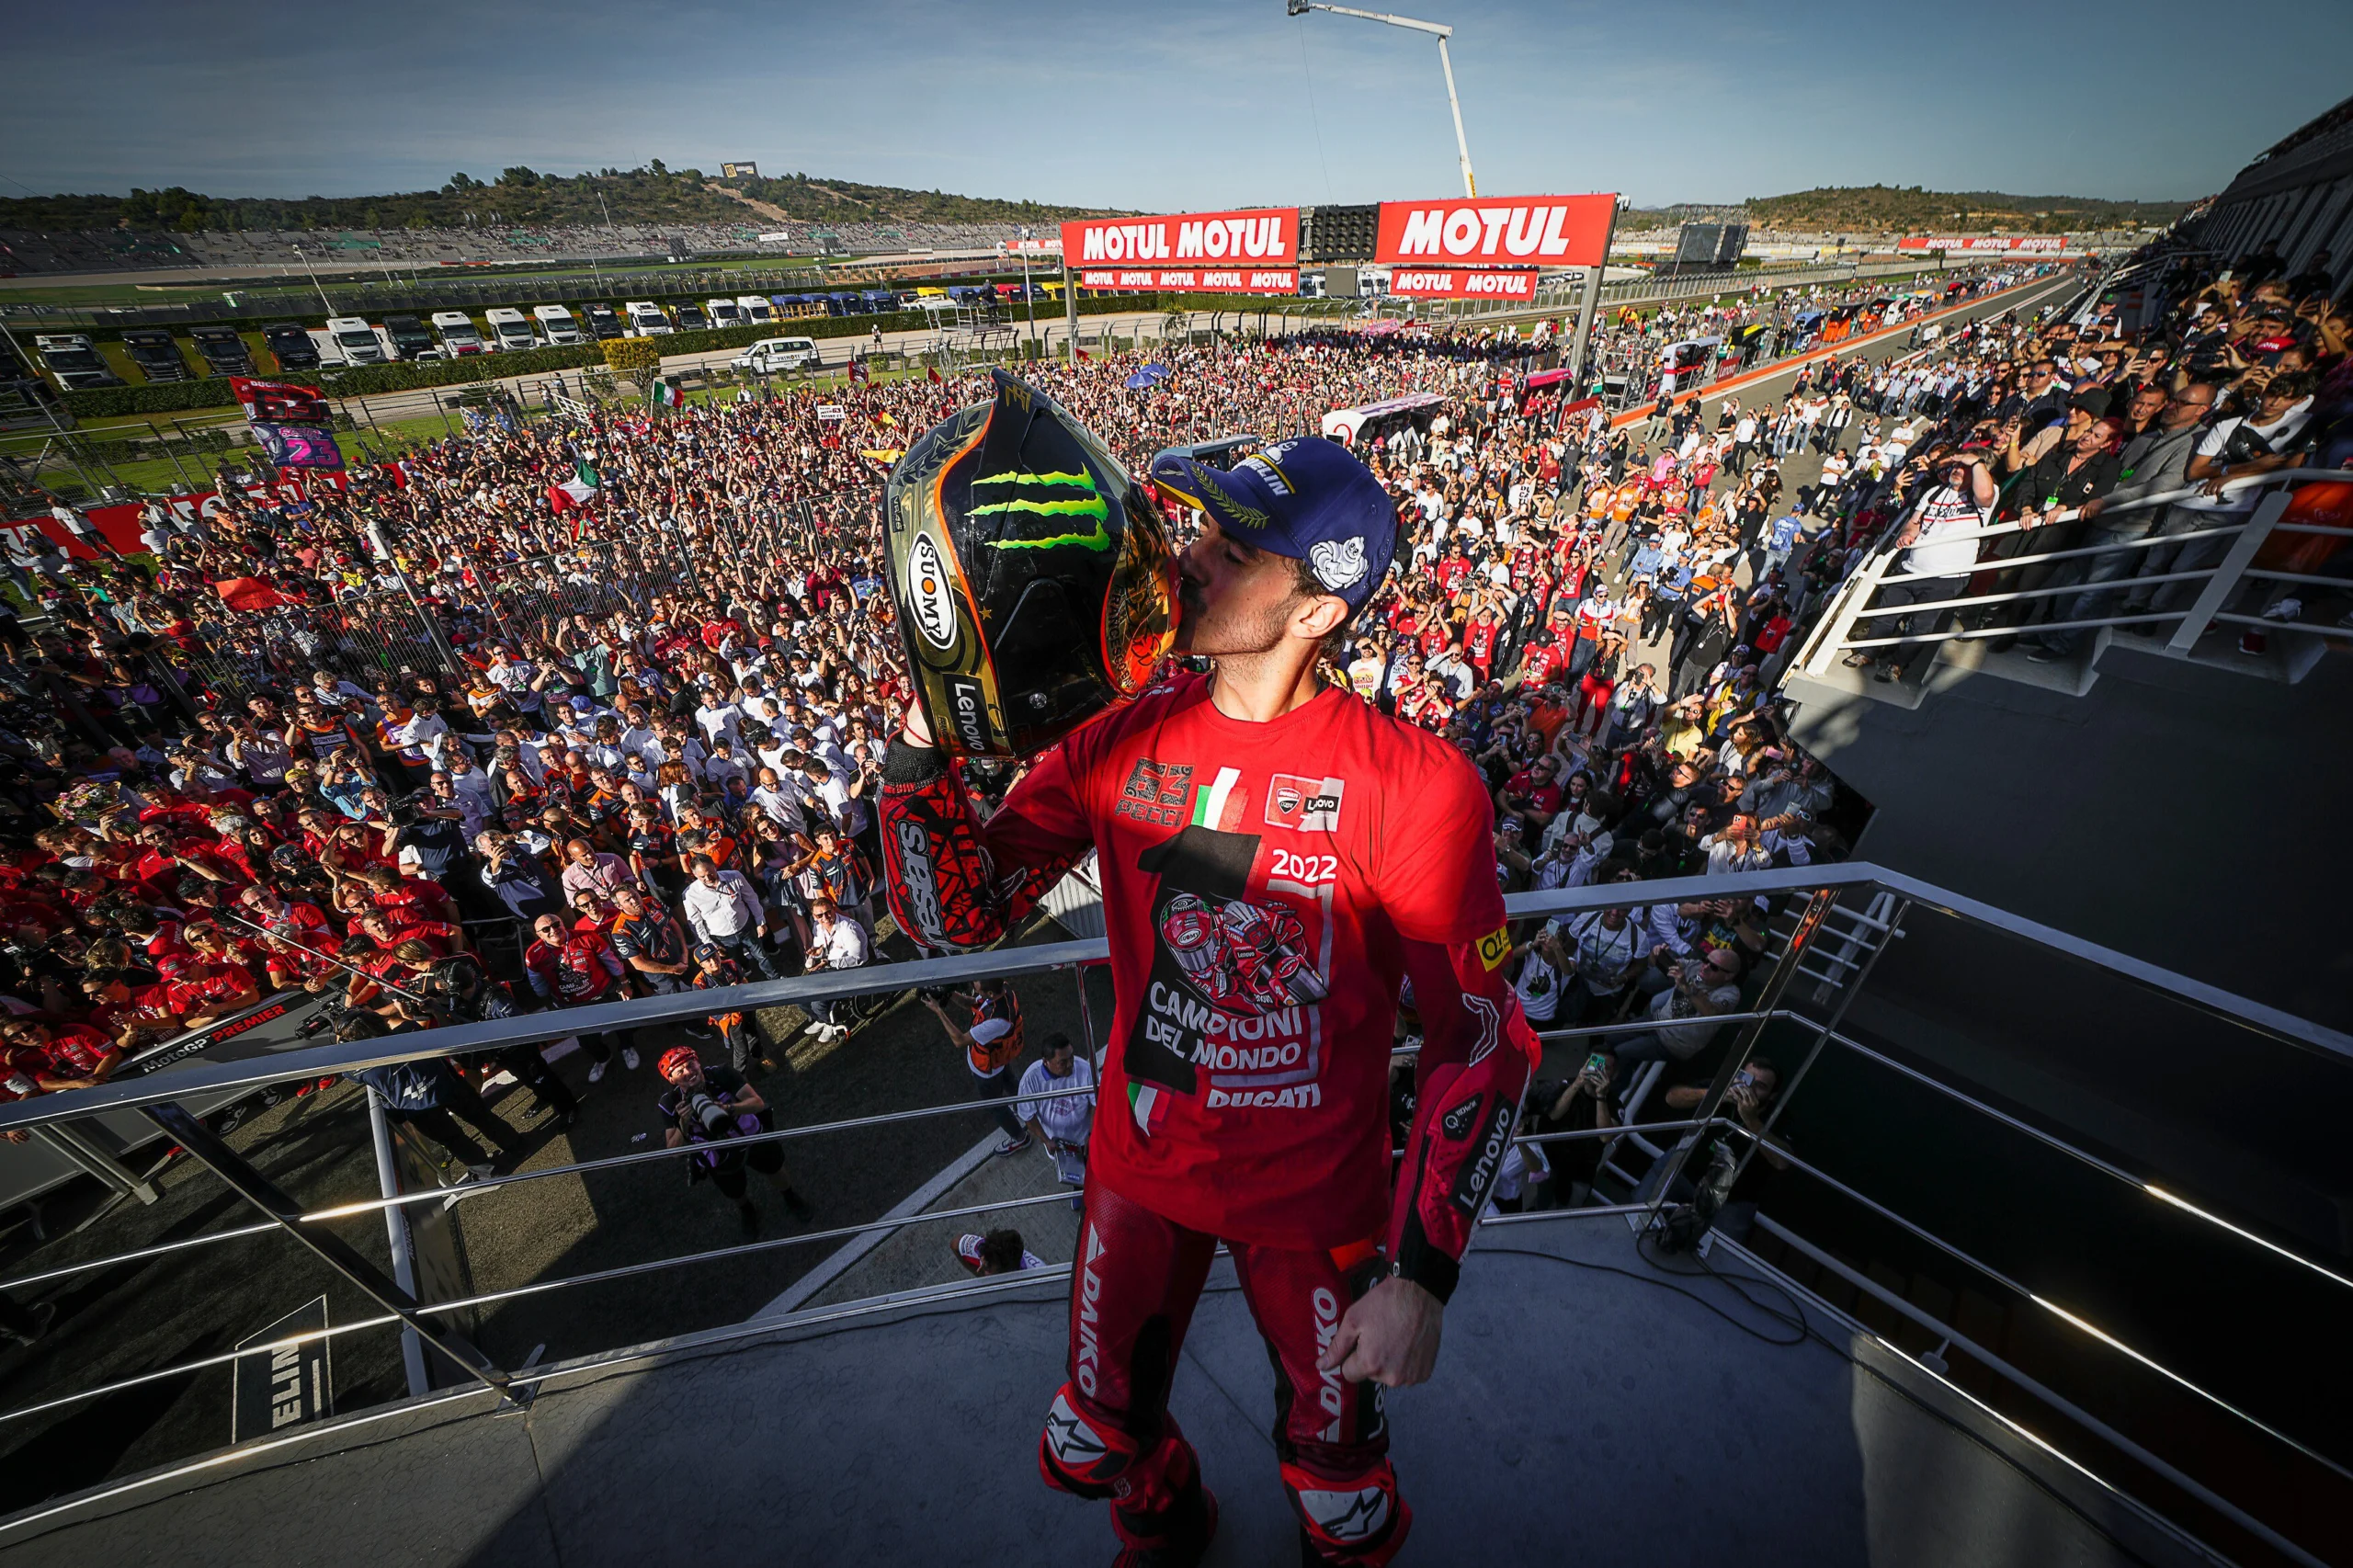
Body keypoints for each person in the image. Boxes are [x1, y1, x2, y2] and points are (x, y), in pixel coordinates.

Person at [880, 434, 1536, 1566]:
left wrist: (1422, 1273)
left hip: (1319, 1208)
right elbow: (956, 914)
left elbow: (1482, 1042)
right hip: (1138, 1173)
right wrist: (925, 729)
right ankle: (1173, 1517)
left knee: (1340, 1492)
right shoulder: (1117, 726)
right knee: (1090, 1442)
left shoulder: (1421, 787)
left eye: (1232, 552)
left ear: (1316, 613)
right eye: (1199, 531)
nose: (1185, 561)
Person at [654, 1045, 813, 1236]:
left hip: (751, 1136)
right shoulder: (670, 1103)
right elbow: (674, 1151)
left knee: (774, 1168)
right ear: (671, 1079)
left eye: (690, 1064)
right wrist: (682, 1123)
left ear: (698, 1062)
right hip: (718, 1154)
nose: (688, 1072)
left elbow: (757, 1103)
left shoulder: (722, 1074)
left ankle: (790, 1196)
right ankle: (747, 1211)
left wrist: (728, 1109)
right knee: (734, 1190)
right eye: (680, 1071)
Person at [1014, 1030, 1094, 1205]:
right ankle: (1080, 1192)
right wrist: (1045, 1140)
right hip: (1059, 1144)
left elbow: (1096, 1101)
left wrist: (1092, 1134)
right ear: (1046, 1062)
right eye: (1062, 1062)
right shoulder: (1030, 1080)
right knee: (1075, 1175)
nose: (1071, 1065)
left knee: (1093, 1169)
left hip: (1085, 1138)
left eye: (1071, 1057)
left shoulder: (1084, 1070)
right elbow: (1028, 1116)